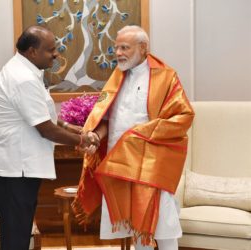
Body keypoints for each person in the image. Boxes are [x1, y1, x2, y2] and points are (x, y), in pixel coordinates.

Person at [72, 25, 195, 250]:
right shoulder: (116, 77)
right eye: (116, 47)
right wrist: (95, 138)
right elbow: (107, 120)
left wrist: (140, 135)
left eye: (124, 47)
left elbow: (184, 115)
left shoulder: (166, 77)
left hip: (152, 163)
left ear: (143, 47)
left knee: (163, 224)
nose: (118, 53)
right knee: (134, 224)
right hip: (121, 162)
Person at [0, 26, 99, 250]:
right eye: (51, 50)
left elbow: (40, 114)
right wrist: (82, 141)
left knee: (17, 236)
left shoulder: (25, 70)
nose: (56, 54)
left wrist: (71, 127)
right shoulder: (22, 78)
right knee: (15, 241)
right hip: (15, 171)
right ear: (32, 51)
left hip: (18, 170)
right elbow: (45, 129)